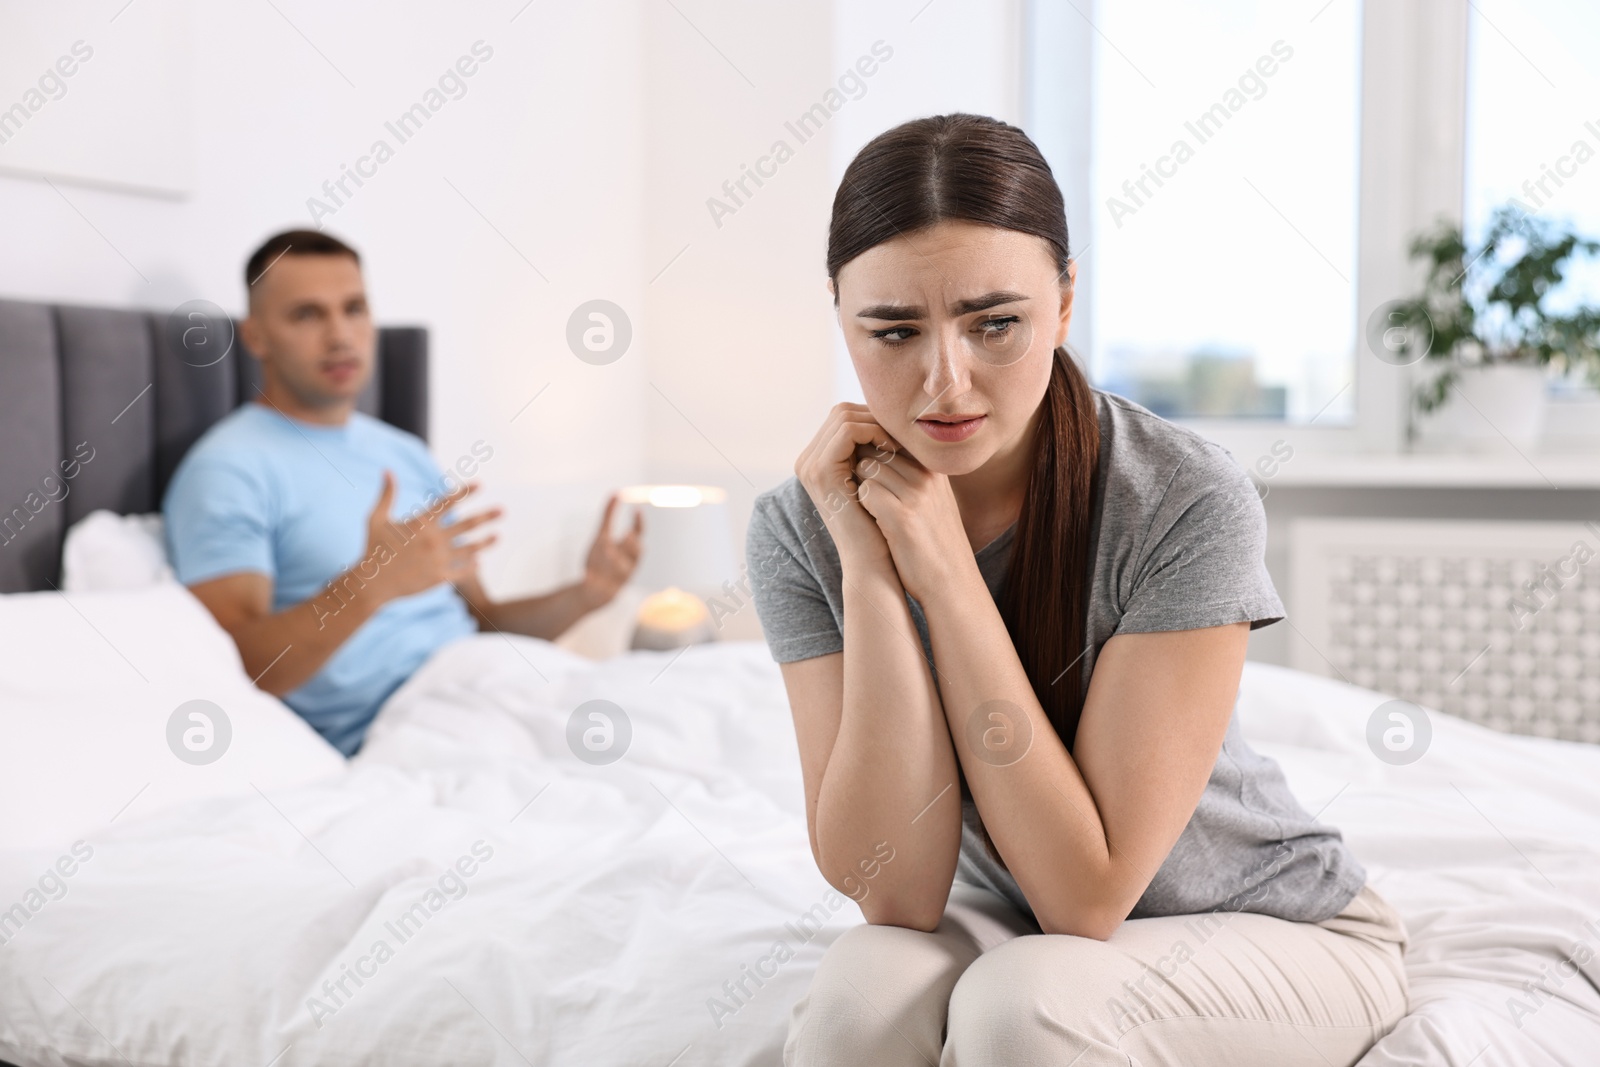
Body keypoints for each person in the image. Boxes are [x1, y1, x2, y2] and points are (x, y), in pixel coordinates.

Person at [744, 114, 1409, 1066]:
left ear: (1063, 304)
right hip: (1025, 920)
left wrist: (940, 566)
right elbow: (895, 890)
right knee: (861, 996)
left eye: (996, 324)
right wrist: (868, 558)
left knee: (1021, 1008)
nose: (945, 381)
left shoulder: (1183, 496)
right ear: (840, 315)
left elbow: (1088, 895)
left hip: (1272, 926)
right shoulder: (802, 520)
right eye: (892, 330)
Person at [164, 229, 642, 756]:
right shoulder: (229, 469)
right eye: (307, 315)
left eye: (354, 309)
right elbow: (238, 669)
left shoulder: (402, 451)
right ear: (256, 337)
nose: (340, 335)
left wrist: (587, 595)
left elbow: (485, 622)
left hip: (487, 685)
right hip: (404, 732)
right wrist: (369, 586)